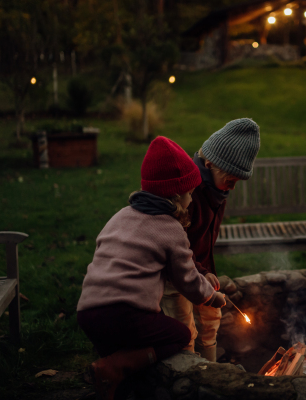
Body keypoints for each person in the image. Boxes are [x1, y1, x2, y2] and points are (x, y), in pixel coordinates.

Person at [77, 136, 226, 400]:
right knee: (179, 335)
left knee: (130, 352)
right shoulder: (170, 229)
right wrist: (210, 296)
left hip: (88, 314)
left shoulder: (120, 216)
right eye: (190, 193)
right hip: (127, 313)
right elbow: (187, 279)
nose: (192, 200)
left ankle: (115, 379)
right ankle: (114, 367)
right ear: (176, 195)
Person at [160, 118, 260, 362]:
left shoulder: (218, 190)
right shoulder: (187, 195)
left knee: (211, 319)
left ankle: (211, 369)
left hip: (201, 269)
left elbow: (204, 237)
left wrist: (206, 270)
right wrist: (199, 271)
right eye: (231, 181)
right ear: (209, 164)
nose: (232, 189)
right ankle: (188, 372)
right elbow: (177, 244)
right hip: (176, 274)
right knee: (184, 327)